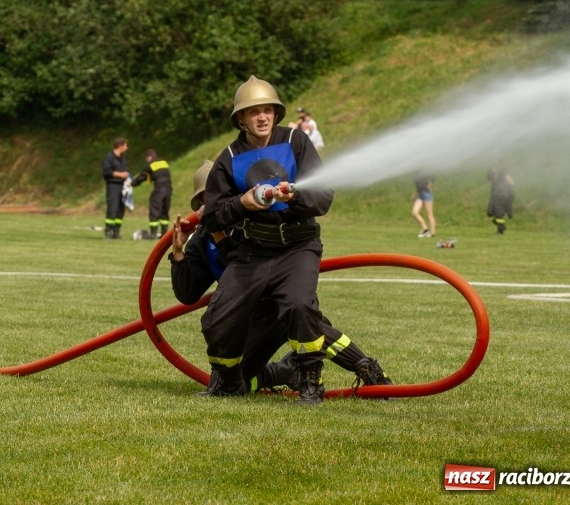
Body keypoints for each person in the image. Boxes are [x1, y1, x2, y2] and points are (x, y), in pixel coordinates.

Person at [170, 161, 392, 396]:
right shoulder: (203, 238)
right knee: (229, 385)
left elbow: (250, 267)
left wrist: (221, 237)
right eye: (207, 199)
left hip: (281, 301)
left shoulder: (259, 221)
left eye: (218, 195)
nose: (213, 204)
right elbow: (188, 294)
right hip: (252, 320)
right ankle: (284, 372)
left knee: (301, 316)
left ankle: (368, 370)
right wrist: (178, 253)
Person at [199, 75, 334, 404]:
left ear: (276, 113)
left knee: (300, 307)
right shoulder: (228, 158)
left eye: (268, 110)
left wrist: (294, 197)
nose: (262, 117)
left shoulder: (296, 141)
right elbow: (212, 216)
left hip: (297, 247)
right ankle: (228, 381)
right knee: (218, 319)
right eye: (253, 111)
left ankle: (309, 381)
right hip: (252, 252)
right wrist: (242, 203)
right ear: (241, 119)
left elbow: (323, 197)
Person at [131, 149, 172, 239]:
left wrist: (133, 183)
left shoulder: (150, 164)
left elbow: (142, 176)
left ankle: (153, 233)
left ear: (149, 157)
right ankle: (164, 233)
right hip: (169, 188)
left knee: (155, 209)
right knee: (164, 211)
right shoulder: (164, 162)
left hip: (159, 189)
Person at [101, 137, 130, 239]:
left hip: (122, 187)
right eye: (125, 145)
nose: (127, 148)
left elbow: (126, 170)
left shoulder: (123, 159)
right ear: (120, 146)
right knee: (112, 208)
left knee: (120, 209)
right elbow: (106, 172)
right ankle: (108, 230)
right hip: (113, 186)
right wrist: (120, 174)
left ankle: (116, 232)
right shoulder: (109, 158)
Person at [486, 164, 514, 234]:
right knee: (490, 212)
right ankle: (501, 226)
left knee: (499, 214)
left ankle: (500, 229)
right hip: (494, 195)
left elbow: (511, 182)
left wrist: (506, 188)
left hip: (502, 196)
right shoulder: (492, 171)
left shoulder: (504, 173)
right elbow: (489, 179)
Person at [412, 171, 436, 238]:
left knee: (429, 214)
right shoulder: (415, 173)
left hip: (427, 194)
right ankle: (425, 229)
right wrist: (415, 193)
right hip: (420, 194)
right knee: (415, 212)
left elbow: (433, 177)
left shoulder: (425, 171)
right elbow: (418, 185)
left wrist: (430, 184)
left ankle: (432, 233)